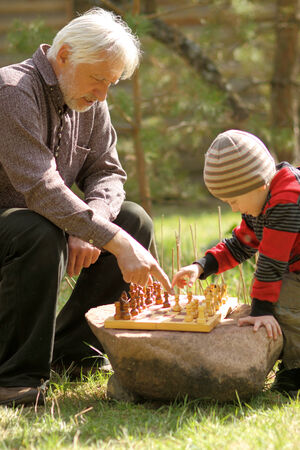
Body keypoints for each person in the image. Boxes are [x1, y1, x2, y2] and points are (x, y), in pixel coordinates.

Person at [0, 8, 172, 407]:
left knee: (134, 220)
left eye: (111, 83)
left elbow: (108, 174)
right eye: (98, 78)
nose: (102, 94)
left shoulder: (89, 100)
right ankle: (14, 377)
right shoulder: (11, 91)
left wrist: (89, 227)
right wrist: (111, 239)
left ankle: (71, 355)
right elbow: (41, 190)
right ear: (63, 56)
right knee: (36, 229)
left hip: (42, 222)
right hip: (17, 229)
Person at [172, 129, 300, 398]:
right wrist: (201, 266)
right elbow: (240, 244)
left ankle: (296, 369)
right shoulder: (260, 202)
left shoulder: (287, 200)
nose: (232, 208)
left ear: (259, 184)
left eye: (234, 200)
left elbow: (272, 262)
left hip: (291, 269)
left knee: (285, 302)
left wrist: (262, 309)